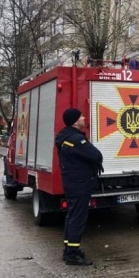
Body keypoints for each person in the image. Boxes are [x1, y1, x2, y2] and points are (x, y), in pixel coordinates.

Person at [55, 108, 104, 266]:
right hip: (79, 184)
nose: (84, 118)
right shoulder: (76, 139)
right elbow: (96, 155)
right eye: (81, 116)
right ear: (75, 121)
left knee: (72, 217)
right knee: (78, 219)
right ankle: (73, 255)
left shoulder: (65, 137)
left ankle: (68, 249)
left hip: (72, 183)